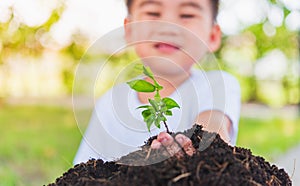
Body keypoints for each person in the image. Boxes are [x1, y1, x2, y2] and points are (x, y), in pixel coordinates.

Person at [73, 0, 241, 164]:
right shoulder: (110, 102)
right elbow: (85, 167)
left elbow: (213, 126)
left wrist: (198, 148)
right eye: (153, 12)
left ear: (212, 36)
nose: (168, 27)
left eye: (187, 15)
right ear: (130, 30)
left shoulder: (217, 84)